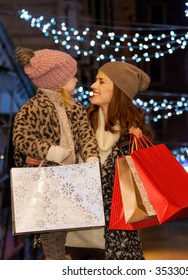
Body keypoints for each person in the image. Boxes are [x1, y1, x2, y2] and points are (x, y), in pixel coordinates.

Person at [12, 47, 99, 260]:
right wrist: (50, 151)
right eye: (71, 77)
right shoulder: (32, 108)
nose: (76, 81)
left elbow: (86, 135)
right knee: (51, 228)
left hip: (72, 177)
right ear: (57, 81)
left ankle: (60, 259)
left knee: (64, 225)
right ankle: (57, 261)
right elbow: (21, 138)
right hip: (47, 179)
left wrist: (91, 156)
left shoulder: (75, 108)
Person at [65, 61, 154, 260]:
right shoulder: (79, 123)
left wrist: (138, 148)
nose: (93, 86)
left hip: (117, 242)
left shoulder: (133, 136)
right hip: (73, 239)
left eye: (101, 81)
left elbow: (143, 189)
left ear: (118, 90)